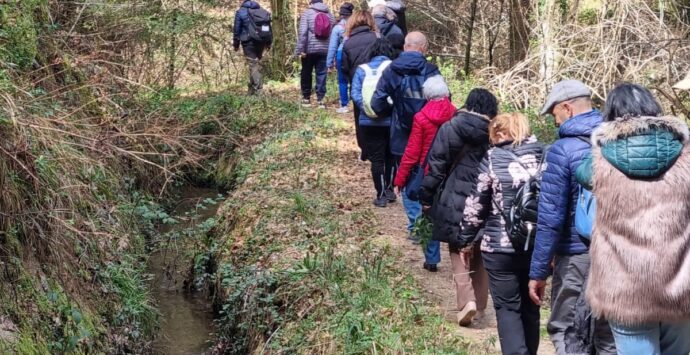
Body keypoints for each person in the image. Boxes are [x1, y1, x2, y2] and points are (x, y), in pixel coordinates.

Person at [575, 83, 690, 355]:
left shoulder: (598, 160)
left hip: (624, 287)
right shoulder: (686, 154)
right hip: (681, 283)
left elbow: (581, 174)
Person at [527, 80, 615, 354]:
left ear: (567, 108)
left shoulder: (562, 150)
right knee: (608, 334)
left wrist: (539, 272)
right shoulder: (617, 139)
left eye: (555, 114)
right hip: (617, 252)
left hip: (576, 254)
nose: (555, 122)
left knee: (566, 328)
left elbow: (551, 216)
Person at [457, 112, 544, 354]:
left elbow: (476, 203)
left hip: (499, 246)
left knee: (507, 308)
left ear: (502, 133)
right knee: (531, 306)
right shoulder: (544, 155)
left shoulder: (493, 158)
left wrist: (465, 241)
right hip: (535, 245)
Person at [417, 88, 497, 327]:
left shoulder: (450, 127)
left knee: (456, 245)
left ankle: (466, 300)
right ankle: (481, 306)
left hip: (454, 196)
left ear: (468, 104)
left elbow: (436, 165)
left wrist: (426, 196)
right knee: (481, 247)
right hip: (486, 197)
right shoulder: (494, 132)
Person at [370, 32, 441, 238]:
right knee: (428, 176)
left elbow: (377, 102)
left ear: (405, 46)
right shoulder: (431, 70)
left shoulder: (392, 70)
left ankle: (415, 226)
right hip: (429, 135)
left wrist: (392, 112)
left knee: (406, 178)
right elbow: (444, 101)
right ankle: (427, 223)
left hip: (401, 134)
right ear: (423, 48)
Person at [393, 75, 456, 271]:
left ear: (427, 96)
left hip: (427, 173)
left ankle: (432, 258)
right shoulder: (456, 116)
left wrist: (400, 179)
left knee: (424, 211)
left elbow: (412, 151)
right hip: (450, 173)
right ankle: (461, 263)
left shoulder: (421, 117)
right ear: (447, 94)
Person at [351, 39, 397, 207]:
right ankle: (391, 189)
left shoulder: (362, 70)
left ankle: (381, 195)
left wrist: (367, 108)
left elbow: (355, 93)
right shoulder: (393, 67)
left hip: (368, 121)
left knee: (377, 160)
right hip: (390, 120)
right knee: (391, 157)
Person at [342, 10, 379, 152]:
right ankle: (379, 145)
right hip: (376, 82)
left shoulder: (348, 43)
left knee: (359, 115)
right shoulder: (377, 38)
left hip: (357, 83)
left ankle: (364, 148)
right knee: (379, 111)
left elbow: (344, 67)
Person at [296, 0, 335, 108]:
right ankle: (321, 100)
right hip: (324, 50)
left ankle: (306, 98)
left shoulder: (307, 13)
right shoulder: (330, 15)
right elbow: (332, 35)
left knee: (306, 72)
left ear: (311, 3)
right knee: (322, 74)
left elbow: (303, 33)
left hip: (309, 49)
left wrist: (300, 50)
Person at [233, 0, 271, 95]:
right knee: (254, 64)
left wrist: (236, 44)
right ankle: (251, 90)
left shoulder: (240, 12)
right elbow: (268, 27)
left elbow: (237, 29)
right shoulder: (261, 11)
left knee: (253, 64)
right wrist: (268, 42)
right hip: (261, 41)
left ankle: (259, 90)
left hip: (248, 41)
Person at [326, 3, 355, 114]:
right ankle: (355, 104)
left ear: (341, 14)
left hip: (341, 54)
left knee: (342, 81)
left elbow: (333, 46)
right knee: (354, 78)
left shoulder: (338, 28)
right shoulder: (357, 26)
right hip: (355, 53)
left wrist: (329, 63)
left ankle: (344, 105)